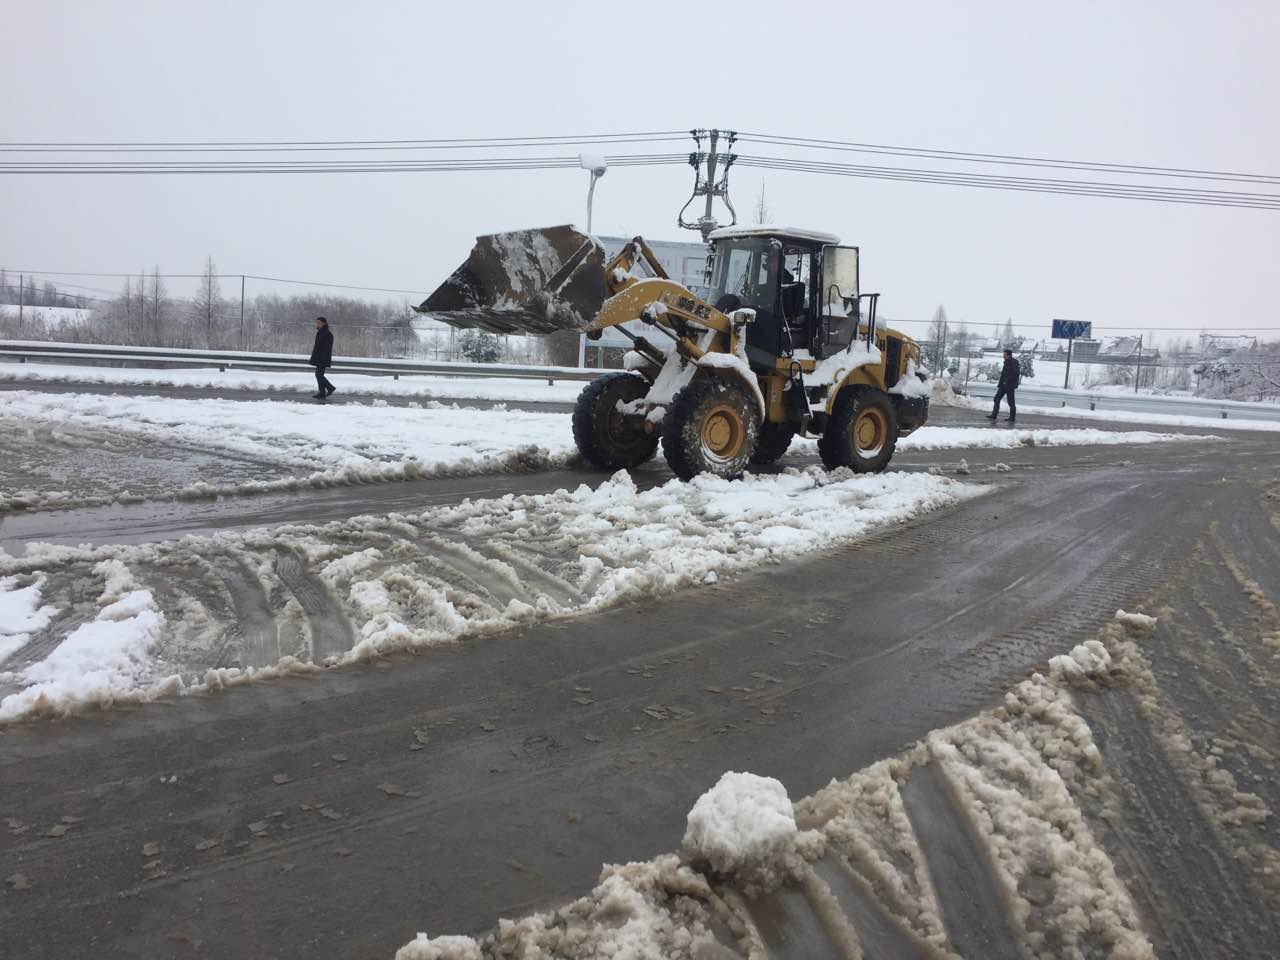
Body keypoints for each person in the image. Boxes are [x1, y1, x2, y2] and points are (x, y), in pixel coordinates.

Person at [987, 348, 1019, 423]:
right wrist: (1001, 383)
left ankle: (1012, 417)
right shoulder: (1006, 362)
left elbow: (1015, 374)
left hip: (1010, 386)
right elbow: (1004, 374)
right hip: (1003, 385)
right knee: (996, 399)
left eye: (1004, 355)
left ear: (1008, 355)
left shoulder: (1013, 362)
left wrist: (1007, 381)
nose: (1003, 356)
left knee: (1011, 402)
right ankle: (994, 415)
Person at [309, 316, 335, 400]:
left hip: (322, 359)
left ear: (324, 323)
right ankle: (322, 393)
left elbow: (327, 349)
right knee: (319, 375)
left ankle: (330, 388)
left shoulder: (327, 334)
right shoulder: (320, 332)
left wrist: (322, 359)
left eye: (319, 323)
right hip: (319, 358)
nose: (317, 324)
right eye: (316, 323)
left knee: (318, 375)